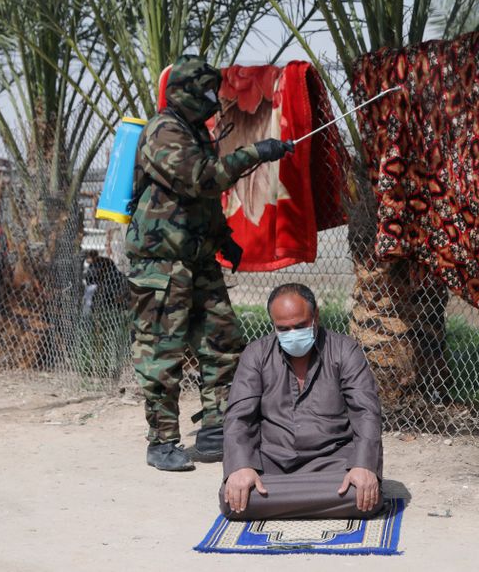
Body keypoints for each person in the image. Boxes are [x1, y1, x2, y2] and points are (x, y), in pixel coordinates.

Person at [126, 54, 294, 472]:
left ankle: (217, 431)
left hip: (198, 259)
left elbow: (203, 199)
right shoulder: (163, 131)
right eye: (203, 91)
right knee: (163, 351)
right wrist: (256, 151)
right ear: (182, 92)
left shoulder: (195, 131)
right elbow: (200, 178)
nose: (210, 99)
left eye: (211, 91)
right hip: (162, 265)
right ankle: (161, 441)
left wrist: (225, 239)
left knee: (221, 344)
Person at [220, 283, 384, 520]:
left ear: (316, 316)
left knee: (363, 495)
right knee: (235, 500)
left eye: (300, 326)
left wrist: (363, 466)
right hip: (272, 460)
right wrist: (241, 467)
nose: (293, 334)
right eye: (283, 329)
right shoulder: (256, 354)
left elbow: (366, 412)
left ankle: (277, 501)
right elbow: (238, 417)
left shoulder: (344, 350)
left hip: (332, 461)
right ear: (273, 325)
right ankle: (315, 499)